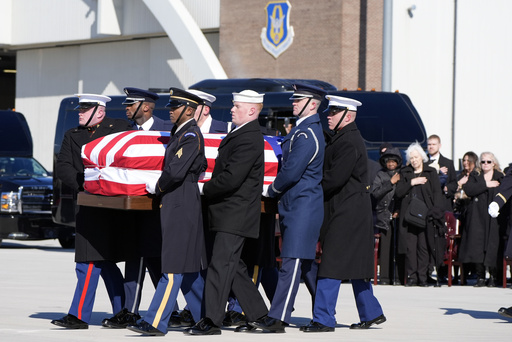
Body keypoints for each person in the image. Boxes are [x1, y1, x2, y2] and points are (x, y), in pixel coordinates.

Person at [184, 90, 269, 336]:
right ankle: (260, 316)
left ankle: (211, 320)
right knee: (234, 267)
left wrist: (202, 188)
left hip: (236, 212)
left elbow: (232, 178)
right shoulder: (240, 133)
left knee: (220, 266)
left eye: (237, 106)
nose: (232, 109)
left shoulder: (249, 137)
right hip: (228, 212)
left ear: (252, 110)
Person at [301, 95, 385, 333]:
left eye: (333, 113)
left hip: (346, 212)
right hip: (352, 211)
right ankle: (371, 312)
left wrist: (309, 186)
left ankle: (324, 319)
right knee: (357, 266)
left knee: (331, 265)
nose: (328, 116)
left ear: (347, 116)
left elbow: (334, 179)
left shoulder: (348, 142)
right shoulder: (345, 138)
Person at [127, 88, 208, 336]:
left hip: (180, 201)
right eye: (171, 107)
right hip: (179, 201)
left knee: (172, 266)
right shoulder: (181, 134)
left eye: (175, 107)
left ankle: (155, 321)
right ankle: (208, 318)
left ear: (190, 111)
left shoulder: (190, 136)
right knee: (190, 268)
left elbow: (175, 171)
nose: (170, 111)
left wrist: (157, 185)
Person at [51, 94, 132, 329]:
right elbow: (64, 165)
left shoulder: (118, 128)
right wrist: (86, 182)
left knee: (100, 260)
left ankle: (110, 312)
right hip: (87, 201)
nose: (80, 112)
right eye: (80, 109)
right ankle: (104, 312)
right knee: (92, 260)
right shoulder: (72, 135)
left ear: (100, 111)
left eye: (85, 109)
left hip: (112, 205)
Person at [249, 84, 326, 333]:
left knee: (291, 262)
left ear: (312, 104)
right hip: (296, 205)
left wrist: (271, 190)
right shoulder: (302, 131)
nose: (293, 103)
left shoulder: (307, 134)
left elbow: (291, 171)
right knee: (304, 265)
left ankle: (278, 317)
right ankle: (325, 314)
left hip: (303, 205)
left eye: (299, 100)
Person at [101, 87, 172, 329]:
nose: (126, 108)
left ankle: (186, 310)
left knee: (162, 264)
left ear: (146, 107)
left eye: (131, 104)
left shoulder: (166, 130)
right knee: (136, 257)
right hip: (132, 209)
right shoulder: (125, 132)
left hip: (158, 207)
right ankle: (130, 311)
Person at [395, 142, 444, 287]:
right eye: (412, 158)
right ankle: (412, 277)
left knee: (424, 247)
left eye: (416, 157)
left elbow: (437, 194)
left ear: (422, 157)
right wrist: (412, 182)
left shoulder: (431, 172)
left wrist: (436, 212)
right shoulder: (405, 172)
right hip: (409, 216)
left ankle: (423, 277)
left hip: (426, 215)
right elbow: (398, 192)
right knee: (410, 247)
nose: (414, 160)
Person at [458, 152, 504, 287]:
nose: (485, 164)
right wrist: (486, 184)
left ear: (494, 163)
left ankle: (493, 276)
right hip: (477, 216)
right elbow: (469, 189)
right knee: (477, 246)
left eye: (488, 162)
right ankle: (480, 276)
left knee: (492, 245)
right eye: (483, 161)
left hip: (493, 217)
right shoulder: (475, 175)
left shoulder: (500, 176)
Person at [371, 146, 402, 285]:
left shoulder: (402, 174)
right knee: (385, 246)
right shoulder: (380, 175)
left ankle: (397, 276)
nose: (390, 164)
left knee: (398, 246)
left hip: (398, 215)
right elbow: (375, 193)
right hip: (383, 214)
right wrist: (390, 183)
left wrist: (398, 210)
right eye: (388, 161)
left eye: (393, 161)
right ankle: (384, 277)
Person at [427, 134, 457, 211]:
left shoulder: (448, 163)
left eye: (434, 144)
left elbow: (454, 183)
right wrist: (438, 171)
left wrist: (447, 189)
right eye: (429, 144)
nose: (431, 147)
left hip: (443, 203)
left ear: (439, 145)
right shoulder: (423, 162)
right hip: (427, 203)